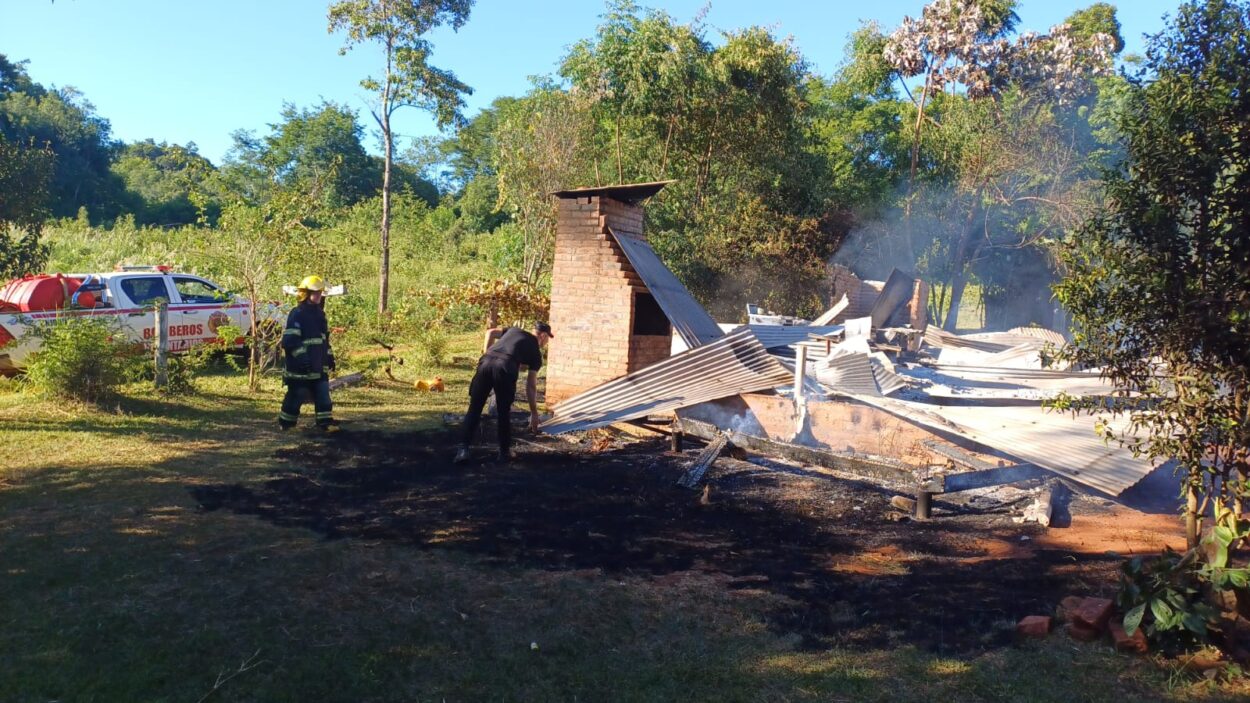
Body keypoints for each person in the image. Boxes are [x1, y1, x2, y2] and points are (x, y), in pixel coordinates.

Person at [454, 321, 552, 463]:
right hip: (505, 367)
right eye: (548, 338)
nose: (546, 342)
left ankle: (463, 450)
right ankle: (504, 453)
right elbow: (530, 386)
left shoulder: (513, 331)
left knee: (474, 409)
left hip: (485, 363)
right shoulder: (536, 353)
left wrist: (486, 352)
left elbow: (490, 333)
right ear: (543, 336)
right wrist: (534, 413)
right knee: (503, 412)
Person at [277, 275, 338, 432]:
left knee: (323, 394)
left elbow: (324, 339)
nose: (318, 295)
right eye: (315, 292)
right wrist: (302, 358)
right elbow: (290, 341)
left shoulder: (320, 314)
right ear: (305, 294)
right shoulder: (297, 314)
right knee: (297, 395)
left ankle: (325, 424)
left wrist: (329, 356)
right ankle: (286, 425)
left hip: (318, 365)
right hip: (300, 368)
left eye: (320, 292)